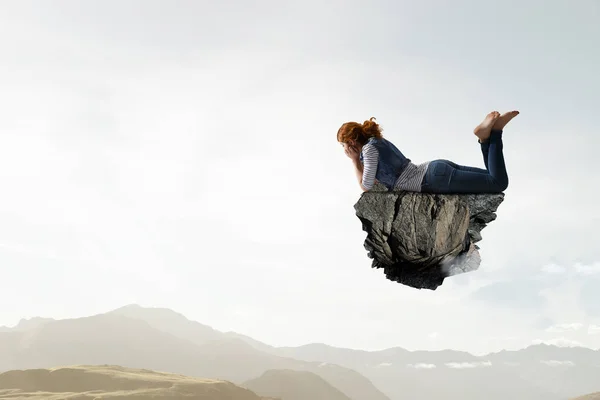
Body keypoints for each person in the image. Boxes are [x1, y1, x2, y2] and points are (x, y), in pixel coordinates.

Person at [337, 110, 519, 194]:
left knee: (497, 183)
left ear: (351, 142)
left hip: (433, 179)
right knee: (491, 176)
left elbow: (366, 186)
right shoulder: (377, 142)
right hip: (434, 168)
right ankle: (486, 138)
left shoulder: (368, 150)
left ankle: (495, 133)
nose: (344, 149)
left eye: (343, 145)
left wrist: (354, 160)